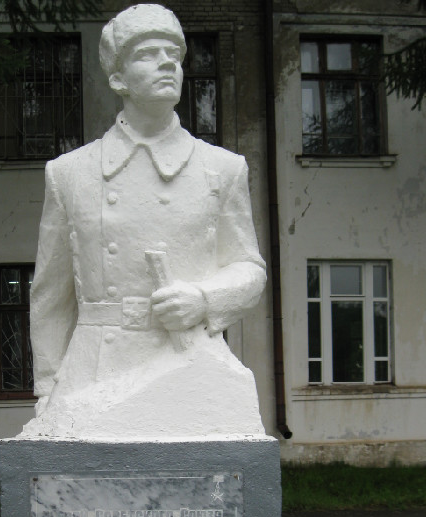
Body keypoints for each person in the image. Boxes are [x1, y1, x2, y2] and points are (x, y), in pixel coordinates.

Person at [25, 4, 267, 439]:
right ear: (118, 78)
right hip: (94, 369)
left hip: (186, 365)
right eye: (148, 54)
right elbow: (50, 295)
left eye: (174, 54)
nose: (167, 63)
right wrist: (46, 387)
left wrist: (204, 299)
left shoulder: (222, 169)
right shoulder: (70, 173)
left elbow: (249, 268)